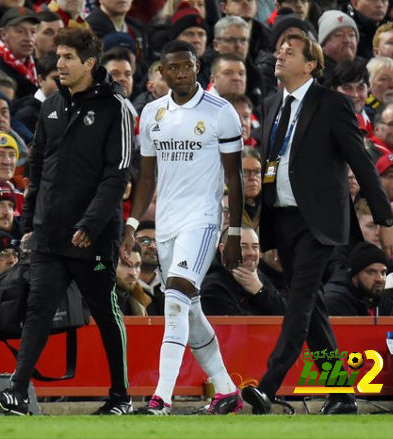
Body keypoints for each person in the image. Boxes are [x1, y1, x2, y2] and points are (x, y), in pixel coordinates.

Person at [240, 31, 393, 416]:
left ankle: (267, 386)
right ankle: (342, 394)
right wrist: (267, 228)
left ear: (310, 65)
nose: (279, 55)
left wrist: (386, 219)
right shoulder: (274, 102)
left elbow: (362, 164)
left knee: (299, 304)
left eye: (289, 52)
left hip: (320, 224)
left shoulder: (333, 104)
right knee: (313, 312)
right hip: (286, 220)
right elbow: (273, 167)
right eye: (279, 50)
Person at [0, 28, 133, 416]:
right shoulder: (50, 105)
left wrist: (91, 225)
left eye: (67, 57)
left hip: (93, 237)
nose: (59, 64)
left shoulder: (117, 109)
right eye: (58, 56)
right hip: (49, 232)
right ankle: (16, 390)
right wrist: (30, 223)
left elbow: (117, 176)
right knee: (38, 307)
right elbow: (37, 167)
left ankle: (121, 396)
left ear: (89, 63)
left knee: (105, 310)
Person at [120, 40, 245, 415]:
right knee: (189, 310)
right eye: (173, 68)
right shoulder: (153, 113)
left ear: (197, 67)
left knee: (174, 299)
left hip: (203, 219)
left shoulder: (221, 112)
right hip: (167, 222)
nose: (182, 73)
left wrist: (234, 231)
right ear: (161, 72)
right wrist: (131, 222)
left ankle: (161, 397)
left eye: (188, 66)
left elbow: (234, 177)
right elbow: (146, 177)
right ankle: (225, 390)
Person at [201, 228, 285, 316]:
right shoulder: (213, 287)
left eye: (255, 247)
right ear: (223, 249)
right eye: (243, 247)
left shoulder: (258, 279)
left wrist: (260, 291)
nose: (251, 253)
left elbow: (288, 315)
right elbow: (237, 327)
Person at [324, 241, 388, 316]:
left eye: (383, 273)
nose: (379, 279)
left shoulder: (383, 302)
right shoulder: (335, 303)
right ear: (354, 277)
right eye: (371, 272)